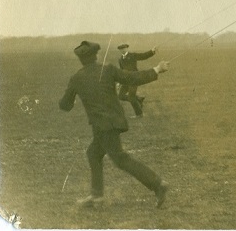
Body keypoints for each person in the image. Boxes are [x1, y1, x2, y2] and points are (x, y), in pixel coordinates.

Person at [59, 40, 170, 208]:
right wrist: (156, 69)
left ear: (81, 59)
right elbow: (132, 78)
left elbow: (64, 105)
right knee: (94, 154)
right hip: (112, 123)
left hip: (102, 126)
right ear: (96, 56)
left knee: (120, 159)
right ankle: (97, 197)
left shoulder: (76, 78)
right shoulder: (108, 69)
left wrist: (72, 98)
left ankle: (158, 184)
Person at [117, 43, 157, 118]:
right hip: (125, 80)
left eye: (124, 48)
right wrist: (120, 81)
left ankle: (139, 114)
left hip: (134, 79)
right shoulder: (120, 59)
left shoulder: (132, 55)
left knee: (131, 97)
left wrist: (152, 51)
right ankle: (138, 99)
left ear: (127, 48)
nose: (122, 50)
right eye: (121, 49)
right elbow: (121, 70)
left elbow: (143, 56)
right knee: (121, 96)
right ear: (119, 50)